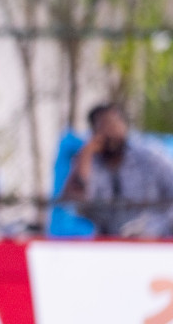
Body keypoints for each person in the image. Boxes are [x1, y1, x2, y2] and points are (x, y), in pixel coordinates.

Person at [62, 102, 173, 238]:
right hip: (110, 243)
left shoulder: (150, 157)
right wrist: (85, 156)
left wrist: (155, 228)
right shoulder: (91, 161)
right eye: (104, 126)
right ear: (94, 132)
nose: (111, 131)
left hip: (155, 239)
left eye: (115, 124)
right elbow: (73, 203)